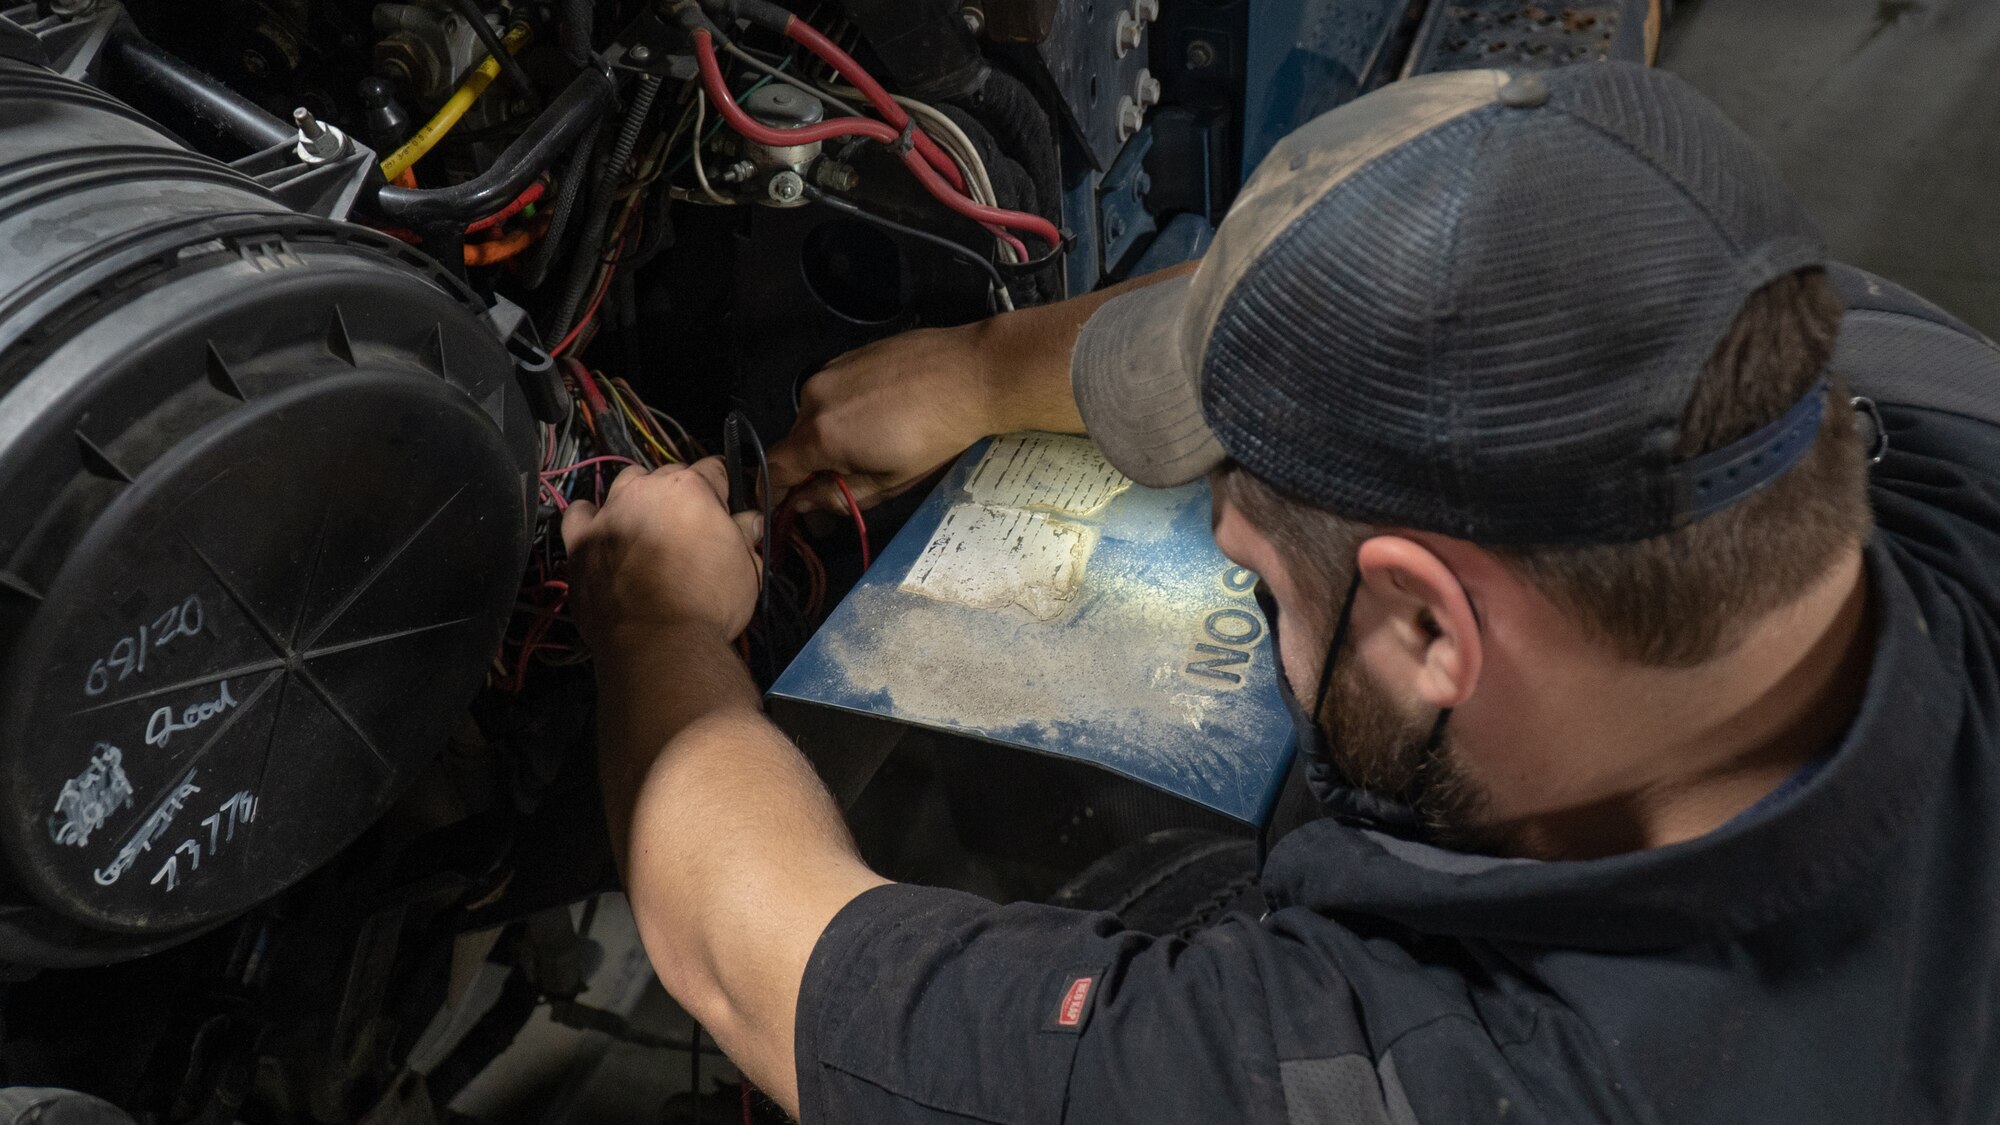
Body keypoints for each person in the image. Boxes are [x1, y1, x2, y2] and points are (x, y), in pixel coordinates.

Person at [561, 62, 2000, 1123]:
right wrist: (976, 372)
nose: (1246, 579)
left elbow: (759, 961)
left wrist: (656, 618)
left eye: (1255, 569)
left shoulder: (1449, 1074)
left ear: (1430, 623)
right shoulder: (1895, 389)